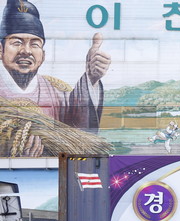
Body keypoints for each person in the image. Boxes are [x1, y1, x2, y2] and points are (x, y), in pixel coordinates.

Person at [0, 0, 111, 156]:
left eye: (35, 44)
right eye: (17, 42)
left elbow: (80, 136)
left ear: (43, 55)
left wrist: (91, 78)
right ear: (1, 50)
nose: (26, 51)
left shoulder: (57, 91)